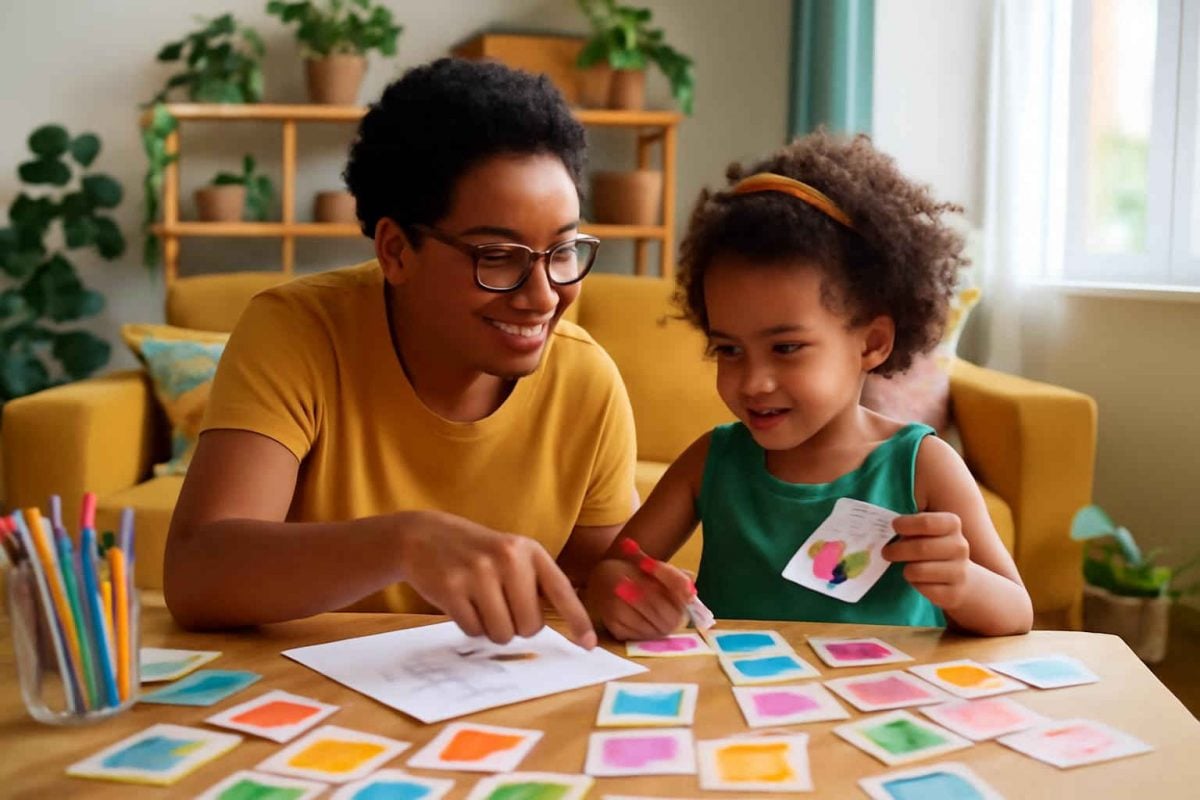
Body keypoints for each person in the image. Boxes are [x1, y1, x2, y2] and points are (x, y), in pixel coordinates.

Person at [164, 58, 639, 648]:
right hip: (311, 700)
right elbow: (197, 573)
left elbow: (594, 581)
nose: (543, 296)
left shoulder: (585, 377)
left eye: (563, 250)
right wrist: (402, 543)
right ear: (396, 250)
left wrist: (637, 597)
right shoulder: (296, 334)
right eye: (496, 257)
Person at [585, 131, 1033, 639]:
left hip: (885, 711)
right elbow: (612, 568)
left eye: (786, 348)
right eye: (728, 350)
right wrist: (618, 591)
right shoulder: (711, 461)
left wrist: (964, 584)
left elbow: (1017, 611)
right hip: (736, 710)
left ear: (872, 343)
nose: (753, 382)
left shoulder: (924, 467)